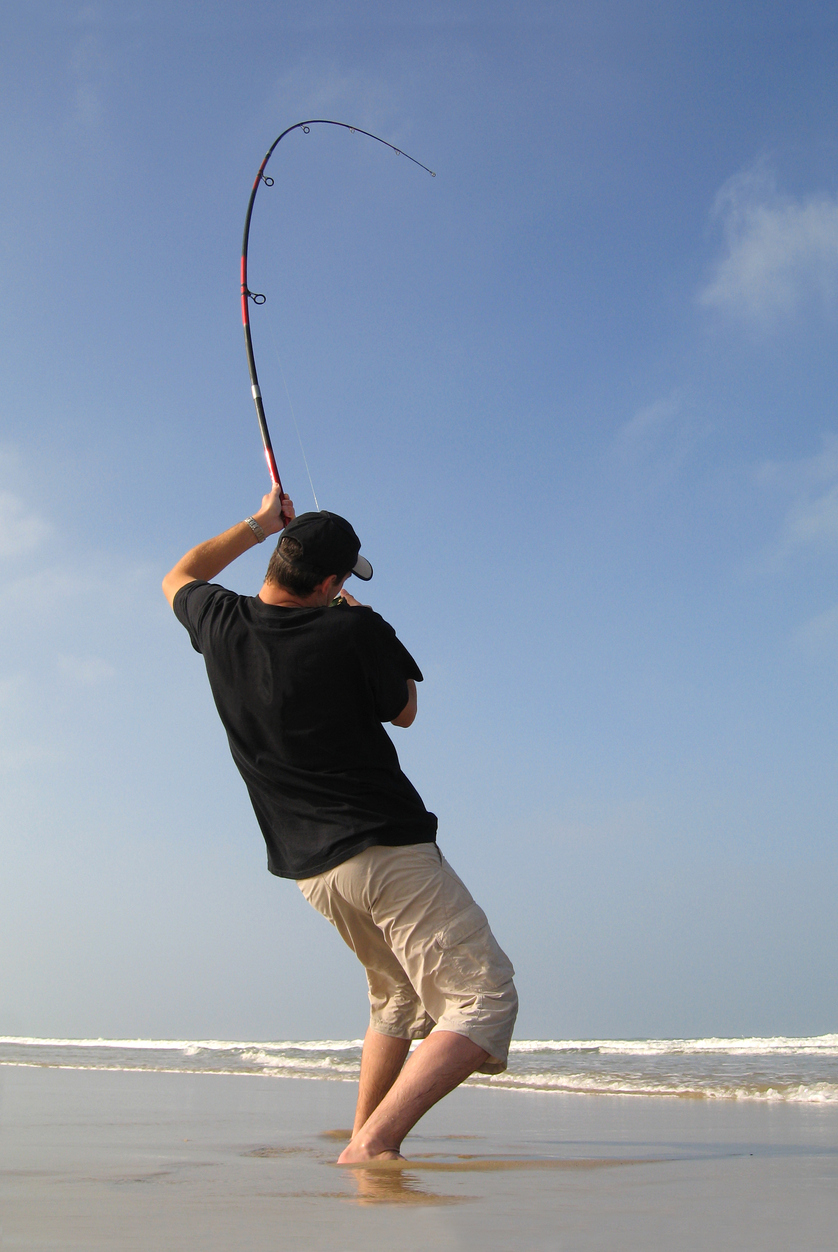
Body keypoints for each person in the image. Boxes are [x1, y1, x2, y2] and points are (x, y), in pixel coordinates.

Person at [162, 483, 517, 1162]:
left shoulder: (220, 622)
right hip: (385, 850)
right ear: (329, 582)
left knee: (397, 1002)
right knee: (484, 1000)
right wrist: (367, 622)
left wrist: (257, 524)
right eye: (339, 583)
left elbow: (180, 574)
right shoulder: (355, 629)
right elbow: (406, 709)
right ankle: (375, 1146)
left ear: (276, 562)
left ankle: (362, 1133)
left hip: (313, 872)